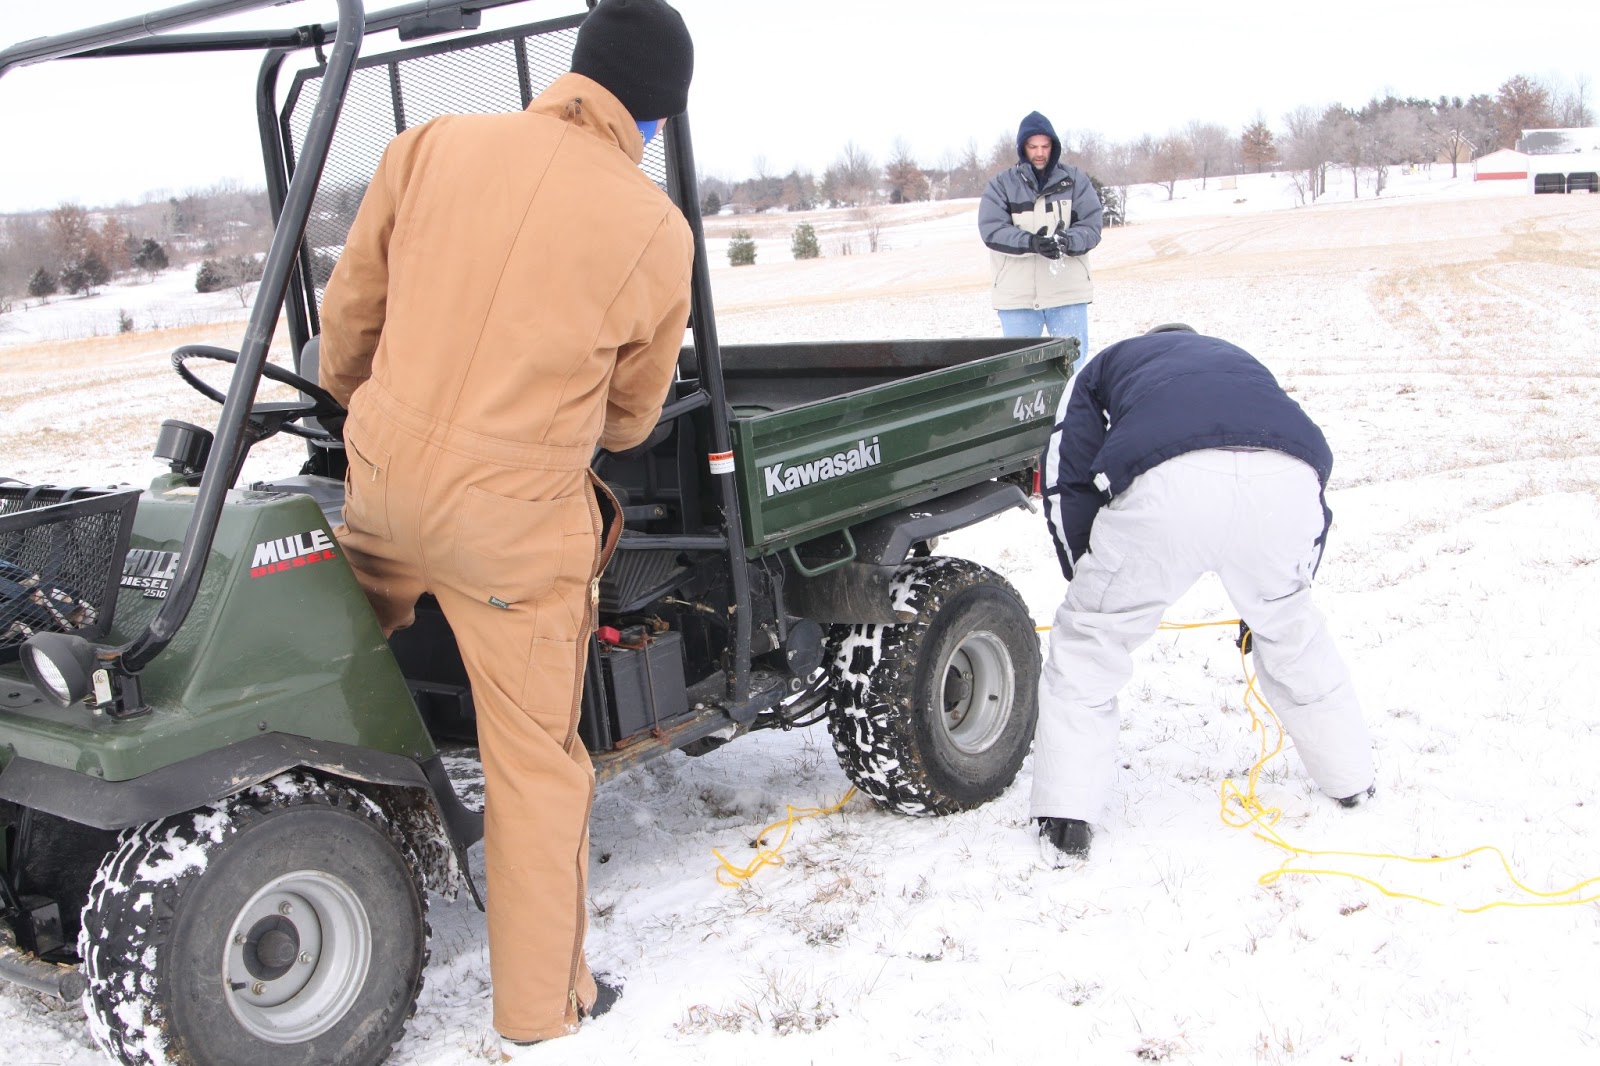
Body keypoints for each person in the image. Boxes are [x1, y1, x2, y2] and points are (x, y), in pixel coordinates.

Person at [316, 0, 695, 1044]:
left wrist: (364, 407)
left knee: (326, 677)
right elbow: (631, 415)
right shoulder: (655, 230)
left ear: (576, 69)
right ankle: (543, 1007)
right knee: (535, 764)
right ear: (654, 114)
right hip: (512, 534)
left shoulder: (430, 143)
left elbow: (349, 319)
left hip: (381, 489)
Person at [1031, 324, 1375, 866]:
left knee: (1091, 643)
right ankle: (1351, 779)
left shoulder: (1106, 363)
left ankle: (1068, 818)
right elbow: (1313, 488)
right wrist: (1275, 598)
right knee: (1292, 630)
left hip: (1171, 482)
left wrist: (1087, 575)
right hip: (1286, 479)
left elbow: (1066, 467)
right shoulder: (1240, 357)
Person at [978, 110, 1103, 372]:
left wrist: (1066, 242)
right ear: (1022, 147)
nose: (1039, 153)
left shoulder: (1075, 180)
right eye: (1033, 146)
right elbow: (992, 230)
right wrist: (1032, 243)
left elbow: (1091, 225)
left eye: (1045, 146)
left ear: (1054, 147)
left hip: (1067, 292)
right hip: (1017, 297)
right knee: (1021, 374)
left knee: (1073, 370)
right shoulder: (1001, 185)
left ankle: (1072, 414)